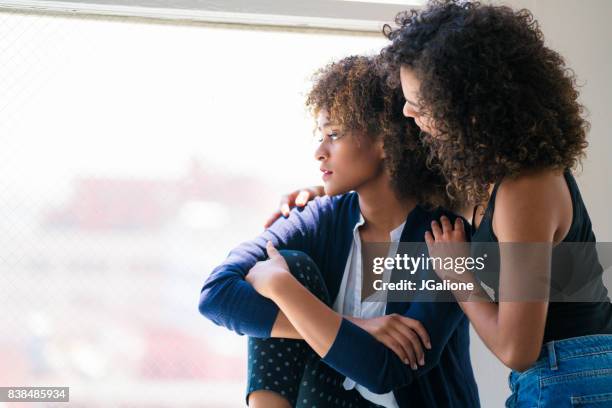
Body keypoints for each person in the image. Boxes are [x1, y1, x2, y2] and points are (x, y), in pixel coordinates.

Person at [198, 55, 480, 407]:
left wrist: (281, 286)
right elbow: (216, 294)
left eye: (333, 134)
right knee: (290, 263)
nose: (319, 152)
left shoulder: (446, 238)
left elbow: (388, 370)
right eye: (321, 137)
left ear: (385, 141)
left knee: (283, 276)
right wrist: (355, 323)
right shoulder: (319, 218)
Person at [378, 1, 612, 406]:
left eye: (420, 102)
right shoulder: (486, 179)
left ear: (467, 109)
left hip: (575, 379)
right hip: (557, 379)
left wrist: (458, 274)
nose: (407, 110)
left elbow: (517, 350)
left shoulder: (526, 188)